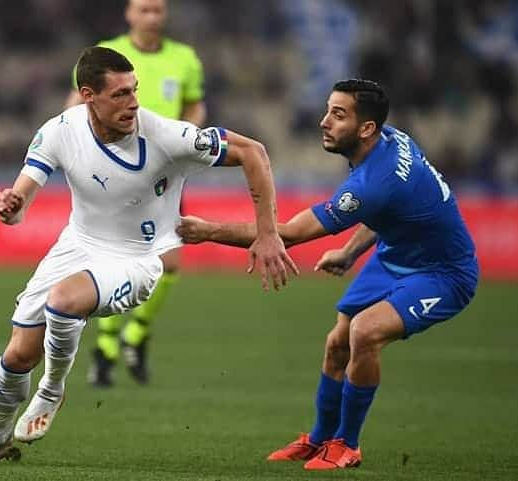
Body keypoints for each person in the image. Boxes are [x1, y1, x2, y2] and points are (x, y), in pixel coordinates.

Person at [0, 46, 296, 465]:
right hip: (76, 245)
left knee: (64, 301)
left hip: (138, 256)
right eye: (120, 94)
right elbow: (23, 193)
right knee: (19, 352)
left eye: (135, 90)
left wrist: (268, 232)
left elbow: (252, 152)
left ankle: (52, 391)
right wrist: (12, 205)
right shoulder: (60, 129)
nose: (133, 103)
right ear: (88, 95)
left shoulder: (166, 135)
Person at [177, 79, 478, 470]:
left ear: (366, 128)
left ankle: (346, 445)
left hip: (443, 273)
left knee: (364, 332)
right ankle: (319, 438)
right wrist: (351, 251)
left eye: (338, 115)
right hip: (393, 254)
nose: (324, 122)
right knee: (338, 342)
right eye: (328, 110)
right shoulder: (393, 140)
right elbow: (391, 209)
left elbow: (289, 233)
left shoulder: (370, 184)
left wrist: (208, 232)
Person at [66, 0, 207, 387]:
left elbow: (195, 107)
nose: (152, 17)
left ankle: (134, 332)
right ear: (129, 14)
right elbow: (77, 105)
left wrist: (186, 138)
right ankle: (109, 345)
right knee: (117, 260)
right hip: (116, 172)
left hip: (164, 172)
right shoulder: (106, 55)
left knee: (172, 263)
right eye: (144, 10)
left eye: (158, 10)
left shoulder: (185, 59)